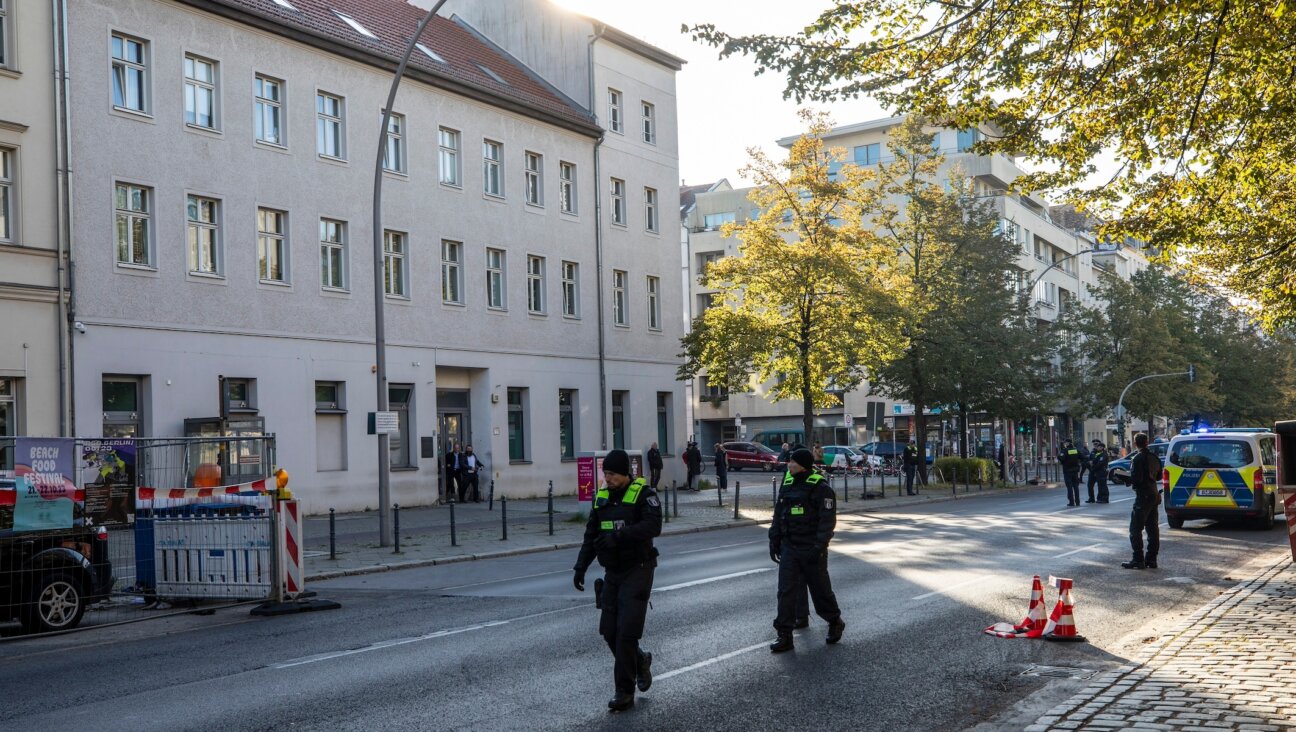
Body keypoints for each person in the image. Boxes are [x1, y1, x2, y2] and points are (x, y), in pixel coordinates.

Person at [572, 449, 663, 712]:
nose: (607, 479)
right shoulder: (602, 499)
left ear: (625, 474)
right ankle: (640, 660)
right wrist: (580, 567)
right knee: (609, 631)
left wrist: (619, 537)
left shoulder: (644, 495)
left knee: (626, 632)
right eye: (605, 474)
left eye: (611, 474)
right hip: (613, 571)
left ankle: (624, 690)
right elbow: (591, 536)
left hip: (639, 568)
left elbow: (653, 527)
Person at [768, 448, 845, 653]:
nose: (789, 465)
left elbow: (827, 521)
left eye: (792, 462)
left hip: (812, 548)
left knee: (820, 592)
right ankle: (784, 635)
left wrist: (819, 547)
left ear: (801, 465)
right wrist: (773, 538)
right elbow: (779, 512)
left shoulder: (820, 487)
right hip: (790, 547)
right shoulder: (788, 481)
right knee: (786, 591)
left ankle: (834, 621)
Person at [1123, 433, 1161, 569]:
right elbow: (1158, 477)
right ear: (1147, 442)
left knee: (1135, 529)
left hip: (1143, 496)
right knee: (1152, 529)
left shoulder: (1137, 458)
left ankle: (1138, 559)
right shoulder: (1154, 457)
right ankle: (1151, 559)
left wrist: (1126, 479)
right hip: (1154, 494)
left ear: (1135, 443)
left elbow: (1137, 479)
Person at [1057, 438, 1083, 507]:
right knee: (1076, 487)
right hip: (1075, 471)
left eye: (1065, 443)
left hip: (1067, 471)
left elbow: (1061, 458)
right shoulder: (1076, 450)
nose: (1064, 444)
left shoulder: (1065, 451)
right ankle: (1078, 502)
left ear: (1068, 443)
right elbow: (1082, 457)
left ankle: (1071, 502)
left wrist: (1058, 455)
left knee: (1069, 487)